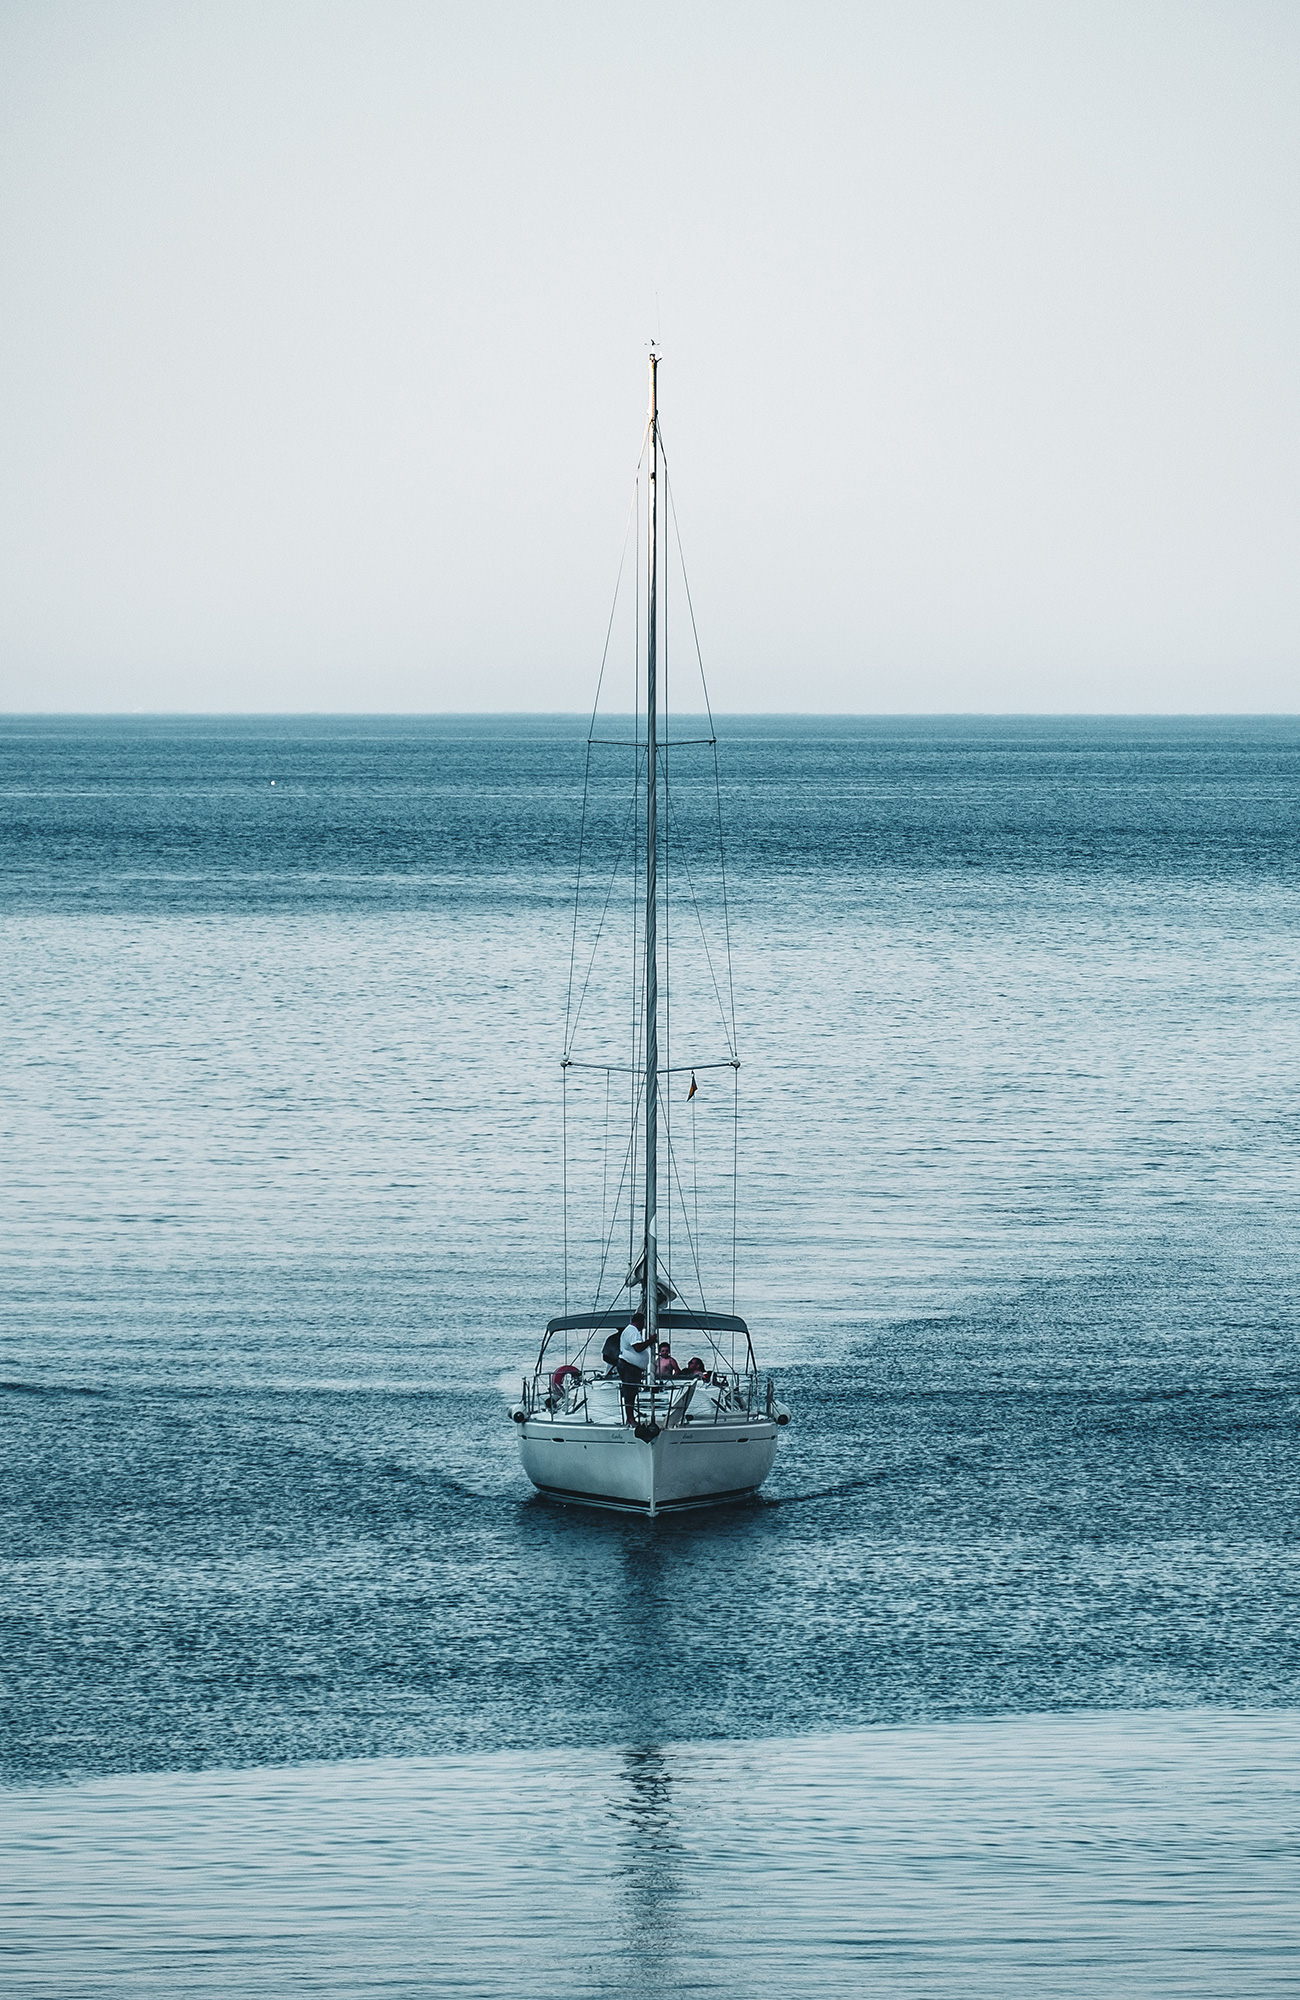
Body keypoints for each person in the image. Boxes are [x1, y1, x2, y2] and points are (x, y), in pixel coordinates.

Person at [616, 1310, 654, 1423]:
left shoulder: (630, 1330)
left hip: (632, 1367)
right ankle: (630, 1418)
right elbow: (638, 1347)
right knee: (630, 1392)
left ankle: (631, 1416)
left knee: (632, 1391)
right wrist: (650, 1341)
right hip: (628, 1366)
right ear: (640, 1322)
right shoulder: (632, 1331)